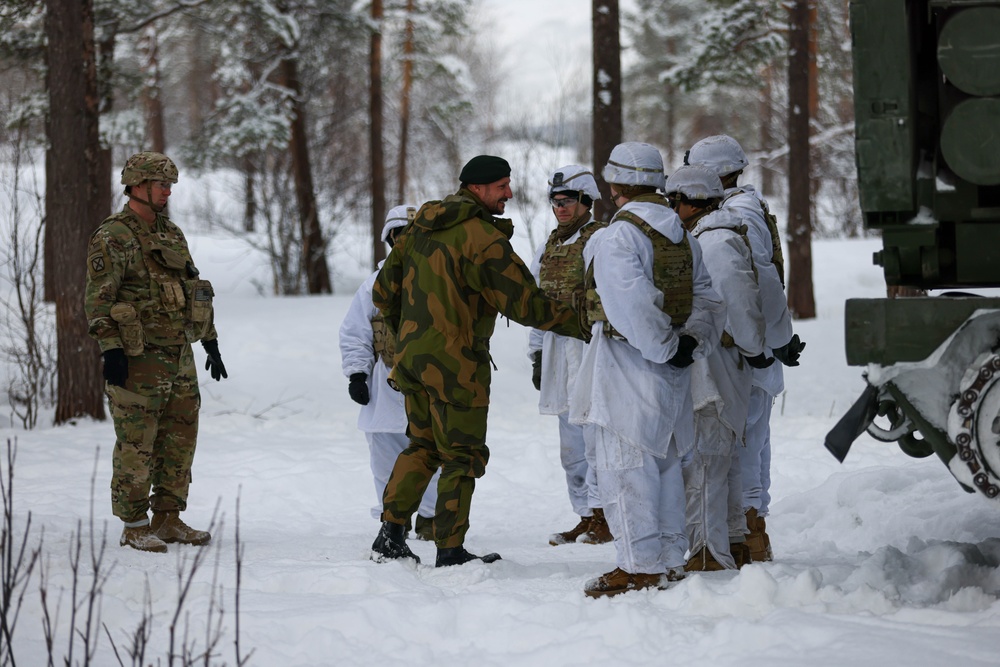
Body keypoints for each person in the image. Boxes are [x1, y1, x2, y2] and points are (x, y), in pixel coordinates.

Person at [369, 155, 588, 568]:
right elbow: (526, 304)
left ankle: (390, 535)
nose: (509, 194)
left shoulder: (419, 228)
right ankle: (450, 551)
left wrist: (413, 333)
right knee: (462, 456)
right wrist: (586, 323)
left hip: (413, 360)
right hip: (456, 366)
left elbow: (383, 293)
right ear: (477, 188)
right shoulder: (481, 239)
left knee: (423, 445)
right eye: (502, 186)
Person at [570, 142, 725, 597]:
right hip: (673, 368)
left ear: (614, 183)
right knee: (666, 465)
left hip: (627, 367)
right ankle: (670, 558)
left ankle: (639, 566)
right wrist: (690, 342)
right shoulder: (681, 233)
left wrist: (664, 347)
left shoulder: (618, 236)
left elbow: (630, 305)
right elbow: (708, 299)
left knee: (624, 466)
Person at [85, 151, 227, 554]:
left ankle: (168, 517)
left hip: (178, 355)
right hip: (137, 358)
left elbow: (193, 292)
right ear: (138, 185)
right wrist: (110, 349)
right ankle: (134, 524)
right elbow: (98, 300)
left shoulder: (171, 234)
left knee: (179, 439)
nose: (167, 191)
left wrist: (210, 341)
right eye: (162, 184)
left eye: (169, 185)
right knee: (137, 442)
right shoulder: (114, 236)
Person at [686, 135, 806, 561]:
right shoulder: (746, 209)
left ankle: (749, 538)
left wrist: (769, 342)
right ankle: (748, 536)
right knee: (750, 444)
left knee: (743, 449)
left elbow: (760, 284)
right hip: (754, 346)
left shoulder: (734, 215)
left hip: (744, 351)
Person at [663, 165, 770, 571]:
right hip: (722, 363)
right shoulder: (715, 237)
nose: (672, 209)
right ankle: (736, 542)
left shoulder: (714, 244)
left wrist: (753, 347)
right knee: (723, 459)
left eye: (674, 201)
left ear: (688, 202)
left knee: (707, 463)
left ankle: (709, 553)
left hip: (715, 366)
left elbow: (739, 305)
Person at [339, 205, 438, 540]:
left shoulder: (440, 282)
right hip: (384, 388)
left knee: (433, 454)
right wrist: (356, 374)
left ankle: (430, 518)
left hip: (428, 385)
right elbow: (355, 332)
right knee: (385, 461)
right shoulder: (372, 286)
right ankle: (393, 520)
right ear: (390, 239)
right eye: (400, 235)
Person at [527, 165, 611, 547]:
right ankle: (585, 514)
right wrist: (536, 353)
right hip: (559, 351)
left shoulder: (600, 239)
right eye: (554, 201)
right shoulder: (550, 246)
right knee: (571, 445)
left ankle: (606, 514)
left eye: (567, 201)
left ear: (586, 202)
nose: (559, 208)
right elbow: (536, 302)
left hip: (590, 349)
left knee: (596, 437)